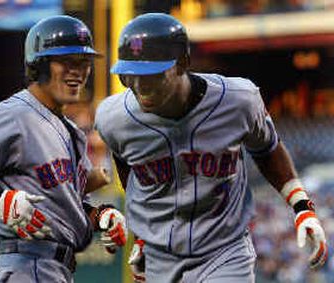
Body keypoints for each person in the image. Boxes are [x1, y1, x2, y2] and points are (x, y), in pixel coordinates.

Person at [94, 13, 328, 283]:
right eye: (130, 76)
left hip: (224, 251)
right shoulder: (114, 118)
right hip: (160, 259)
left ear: (183, 63)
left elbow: (267, 149)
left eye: (152, 75)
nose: (140, 85)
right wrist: (143, 238)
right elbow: (129, 167)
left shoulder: (238, 100)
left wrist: (303, 207)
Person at [0, 15, 127, 282]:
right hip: (20, 265)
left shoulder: (72, 132)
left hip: (52, 268)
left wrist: (101, 215)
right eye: (67, 62)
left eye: (83, 63)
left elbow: (62, 208)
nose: (78, 72)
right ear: (39, 66)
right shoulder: (14, 114)